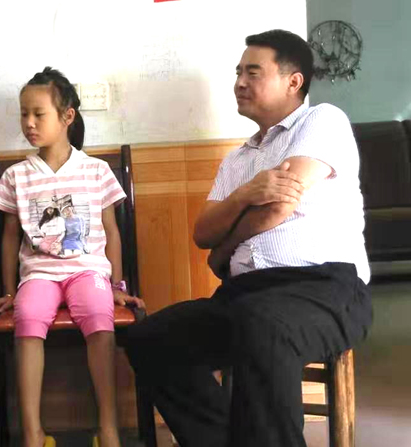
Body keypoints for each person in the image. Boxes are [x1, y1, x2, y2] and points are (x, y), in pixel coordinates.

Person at [125, 30, 373, 447]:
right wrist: (245, 194)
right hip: (245, 296)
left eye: (252, 72)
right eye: (238, 72)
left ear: (293, 81)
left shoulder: (322, 120)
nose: (239, 82)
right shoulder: (237, 160)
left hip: (325, 287)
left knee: (262, 327)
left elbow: (276, 208)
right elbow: (203, 232)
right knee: (150, 338)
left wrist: (225, 248)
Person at [0, 67, 145, 447]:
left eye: (38, 114)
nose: (29, 123)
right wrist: (8, 291)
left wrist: (117, 286)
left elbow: (112, 233)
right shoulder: (16, 176)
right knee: (28, 315)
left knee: (98, 313)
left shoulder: (96, 171)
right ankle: (33, 434)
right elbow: (9, 239)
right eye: (23, 114)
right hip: (38, 275)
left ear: (67, 116)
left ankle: (108, 428)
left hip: (88, 272)